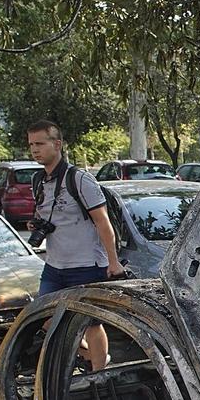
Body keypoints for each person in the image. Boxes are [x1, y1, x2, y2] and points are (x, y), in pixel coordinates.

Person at [26, 120, 128, 370]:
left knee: (91, 323)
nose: (35, 150)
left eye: (40, 143)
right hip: (54, 263)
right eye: (31, 145)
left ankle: (99, 373)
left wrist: (113, 262)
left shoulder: (79, 179)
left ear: (57, 144)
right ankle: (93, 357)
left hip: (86, 264)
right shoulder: (38, 180)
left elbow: (103, 223)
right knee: (44, 318)